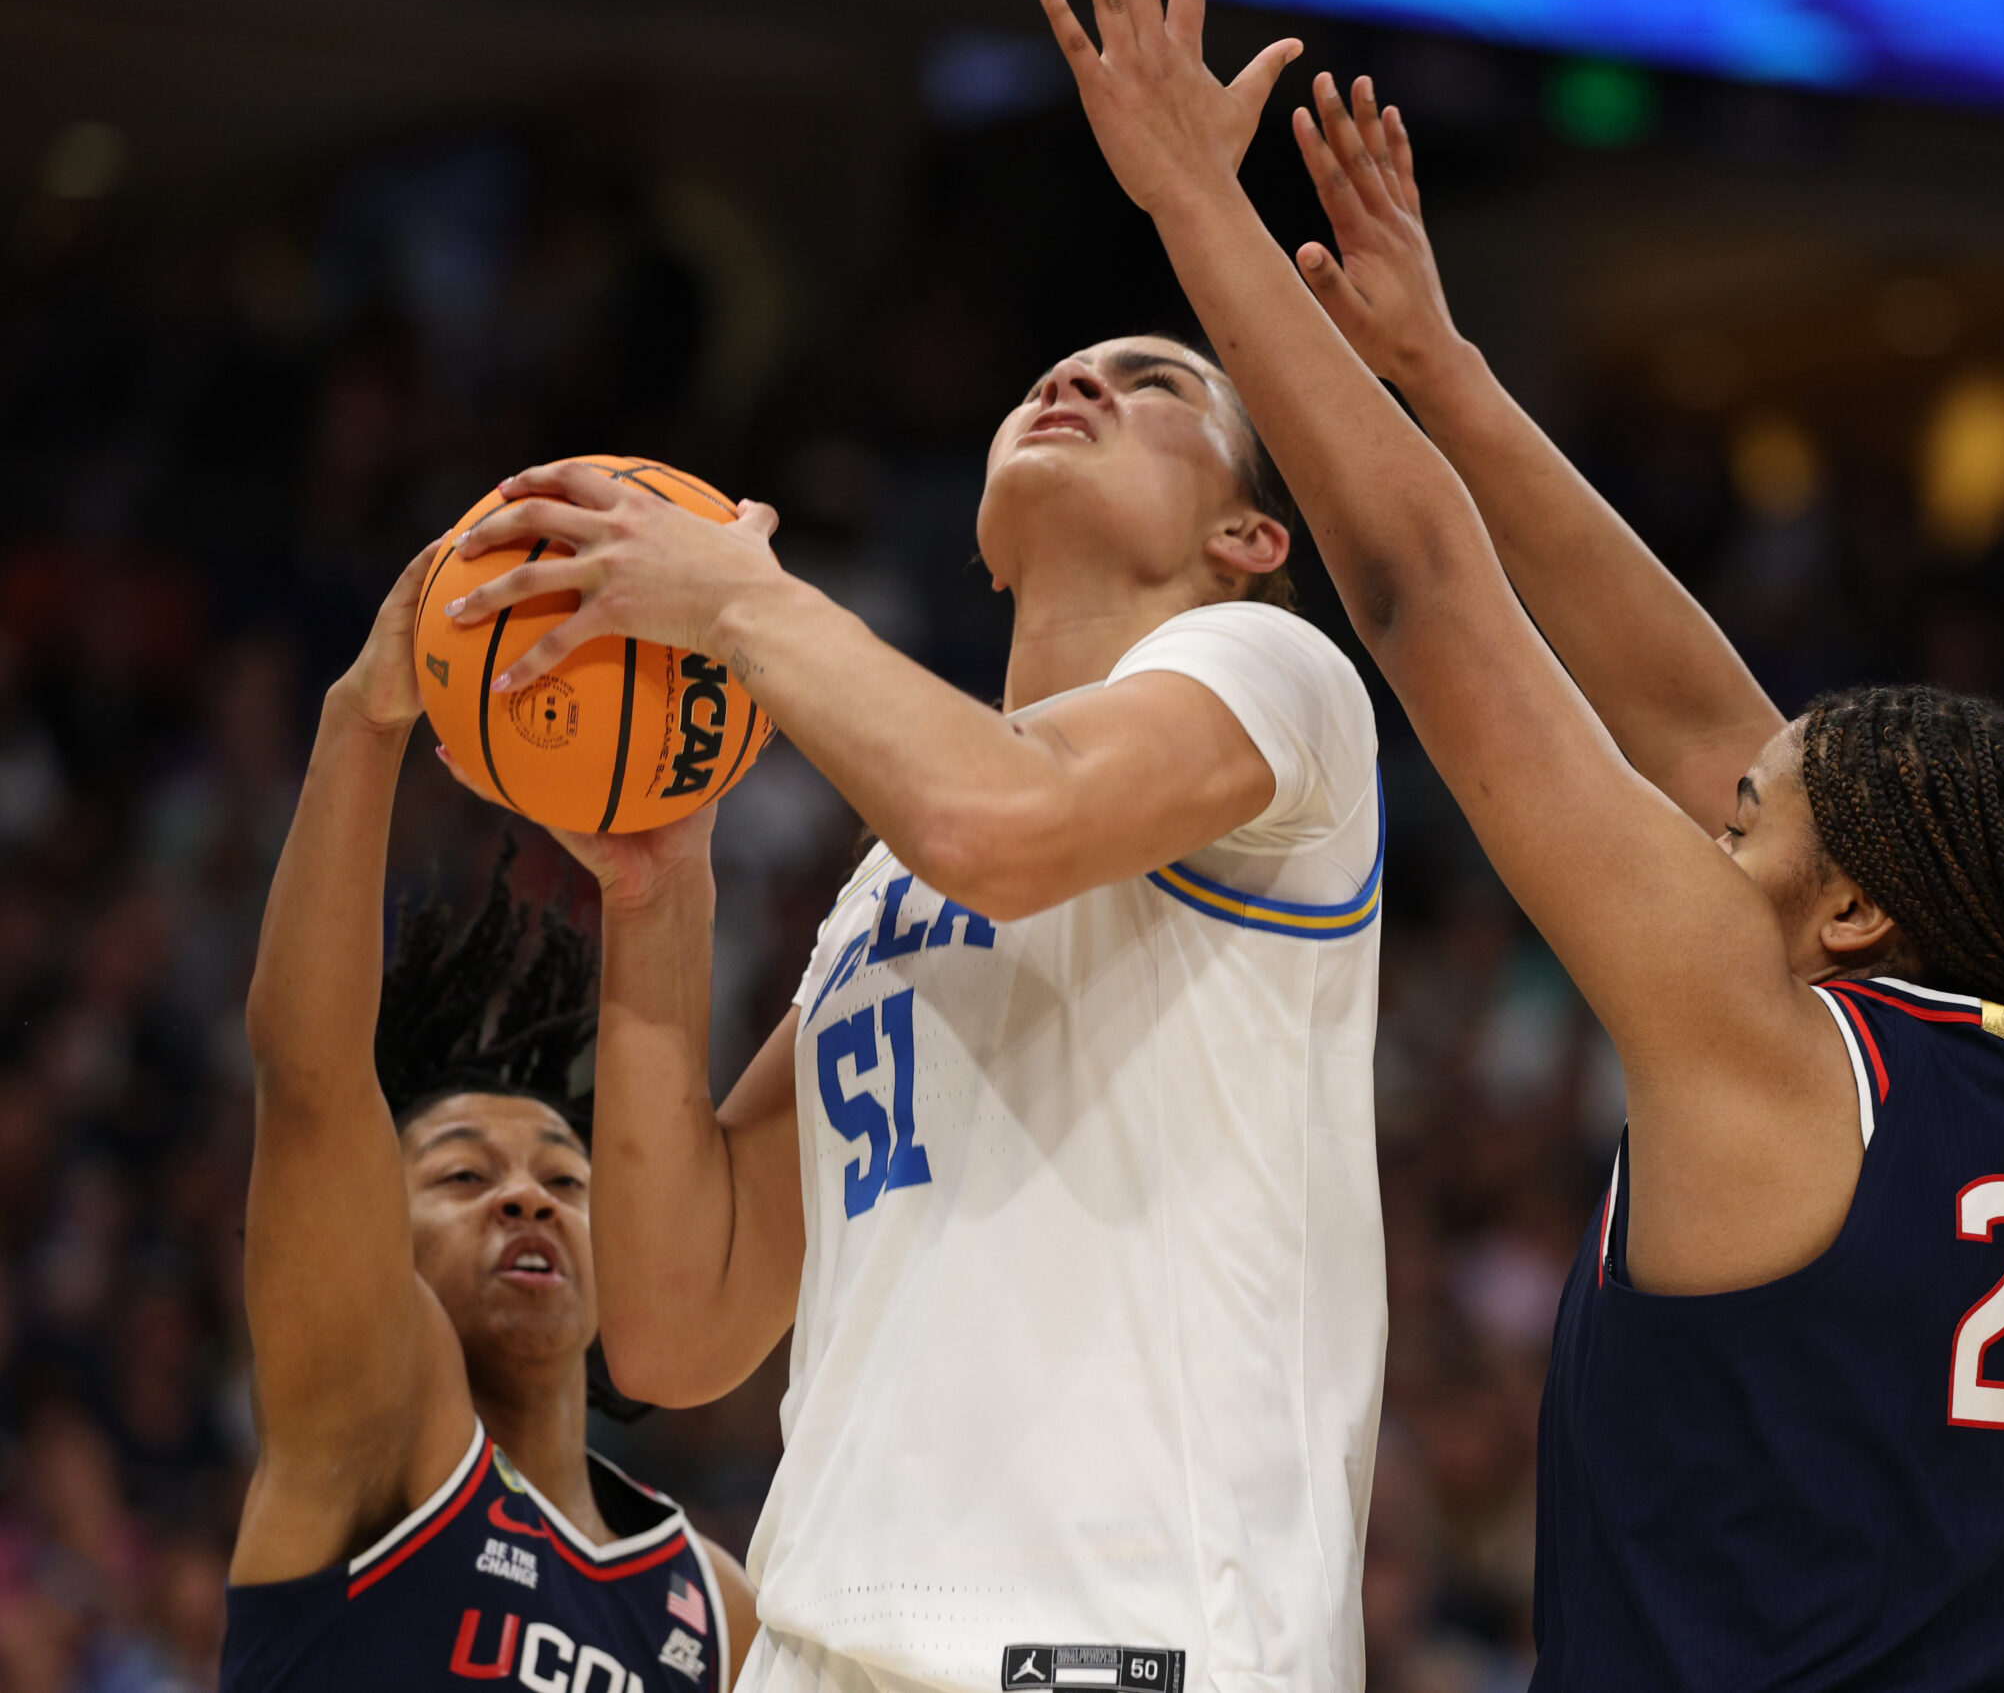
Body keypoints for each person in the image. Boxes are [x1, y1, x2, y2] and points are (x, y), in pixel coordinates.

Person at [1034, 0, 2004, 1691]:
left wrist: (1196, 207)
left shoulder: (1772, 1053)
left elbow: (1425, 596)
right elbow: (1690, 714)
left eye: (1748, 817)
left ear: (1851, 905)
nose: (1714, 801)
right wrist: (1447, 375)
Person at [434, 161, 1383, 1693]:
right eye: (1063, 372)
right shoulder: (893, 879)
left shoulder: (1280, 682)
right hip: (825, 1635)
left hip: (1137, 1635)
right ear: (989, 548)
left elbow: (1014, 822)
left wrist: (743, 606)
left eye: (1155, 386)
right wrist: (659, 891)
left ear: (1250, 540)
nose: (1080, 376)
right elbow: (677, 1329)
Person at [224, 556, 755, 1692]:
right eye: (462, 1178)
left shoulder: (717, 1603)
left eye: (564, 1181)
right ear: (380, 1237)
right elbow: (311, 1084)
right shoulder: (374, 1432)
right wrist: (364, 720)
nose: (525, 1197)